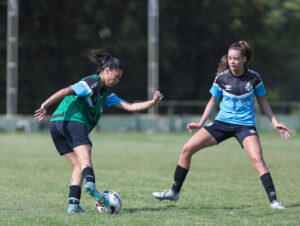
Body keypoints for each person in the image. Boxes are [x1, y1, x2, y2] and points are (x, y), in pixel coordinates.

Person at [152, 41, 291, 209]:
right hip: (221, 123)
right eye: (230, 58)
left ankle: (274, 201)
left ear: (244, 59)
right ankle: (174, 192)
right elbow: (212, 101)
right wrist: (200, 123)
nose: (232, 61)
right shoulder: (222, 77)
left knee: (257, 160)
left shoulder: (254, 78)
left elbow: (263, 102)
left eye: (236, 58)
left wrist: (275, 123)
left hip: (245, 126)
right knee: (187, 149)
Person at [34, 49, 163, 214]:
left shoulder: (105, 93)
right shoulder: (91, 83)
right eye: (116, 77)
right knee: (85, 160)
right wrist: (46, 104)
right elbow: (66, 90)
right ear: (107, 70)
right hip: (73, 122)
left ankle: (73, 205)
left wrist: (152, 102)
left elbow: (130, 106)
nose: (117, 81)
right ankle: (93, 187)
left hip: (56, 125)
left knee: (78, 165)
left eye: (119, 78)